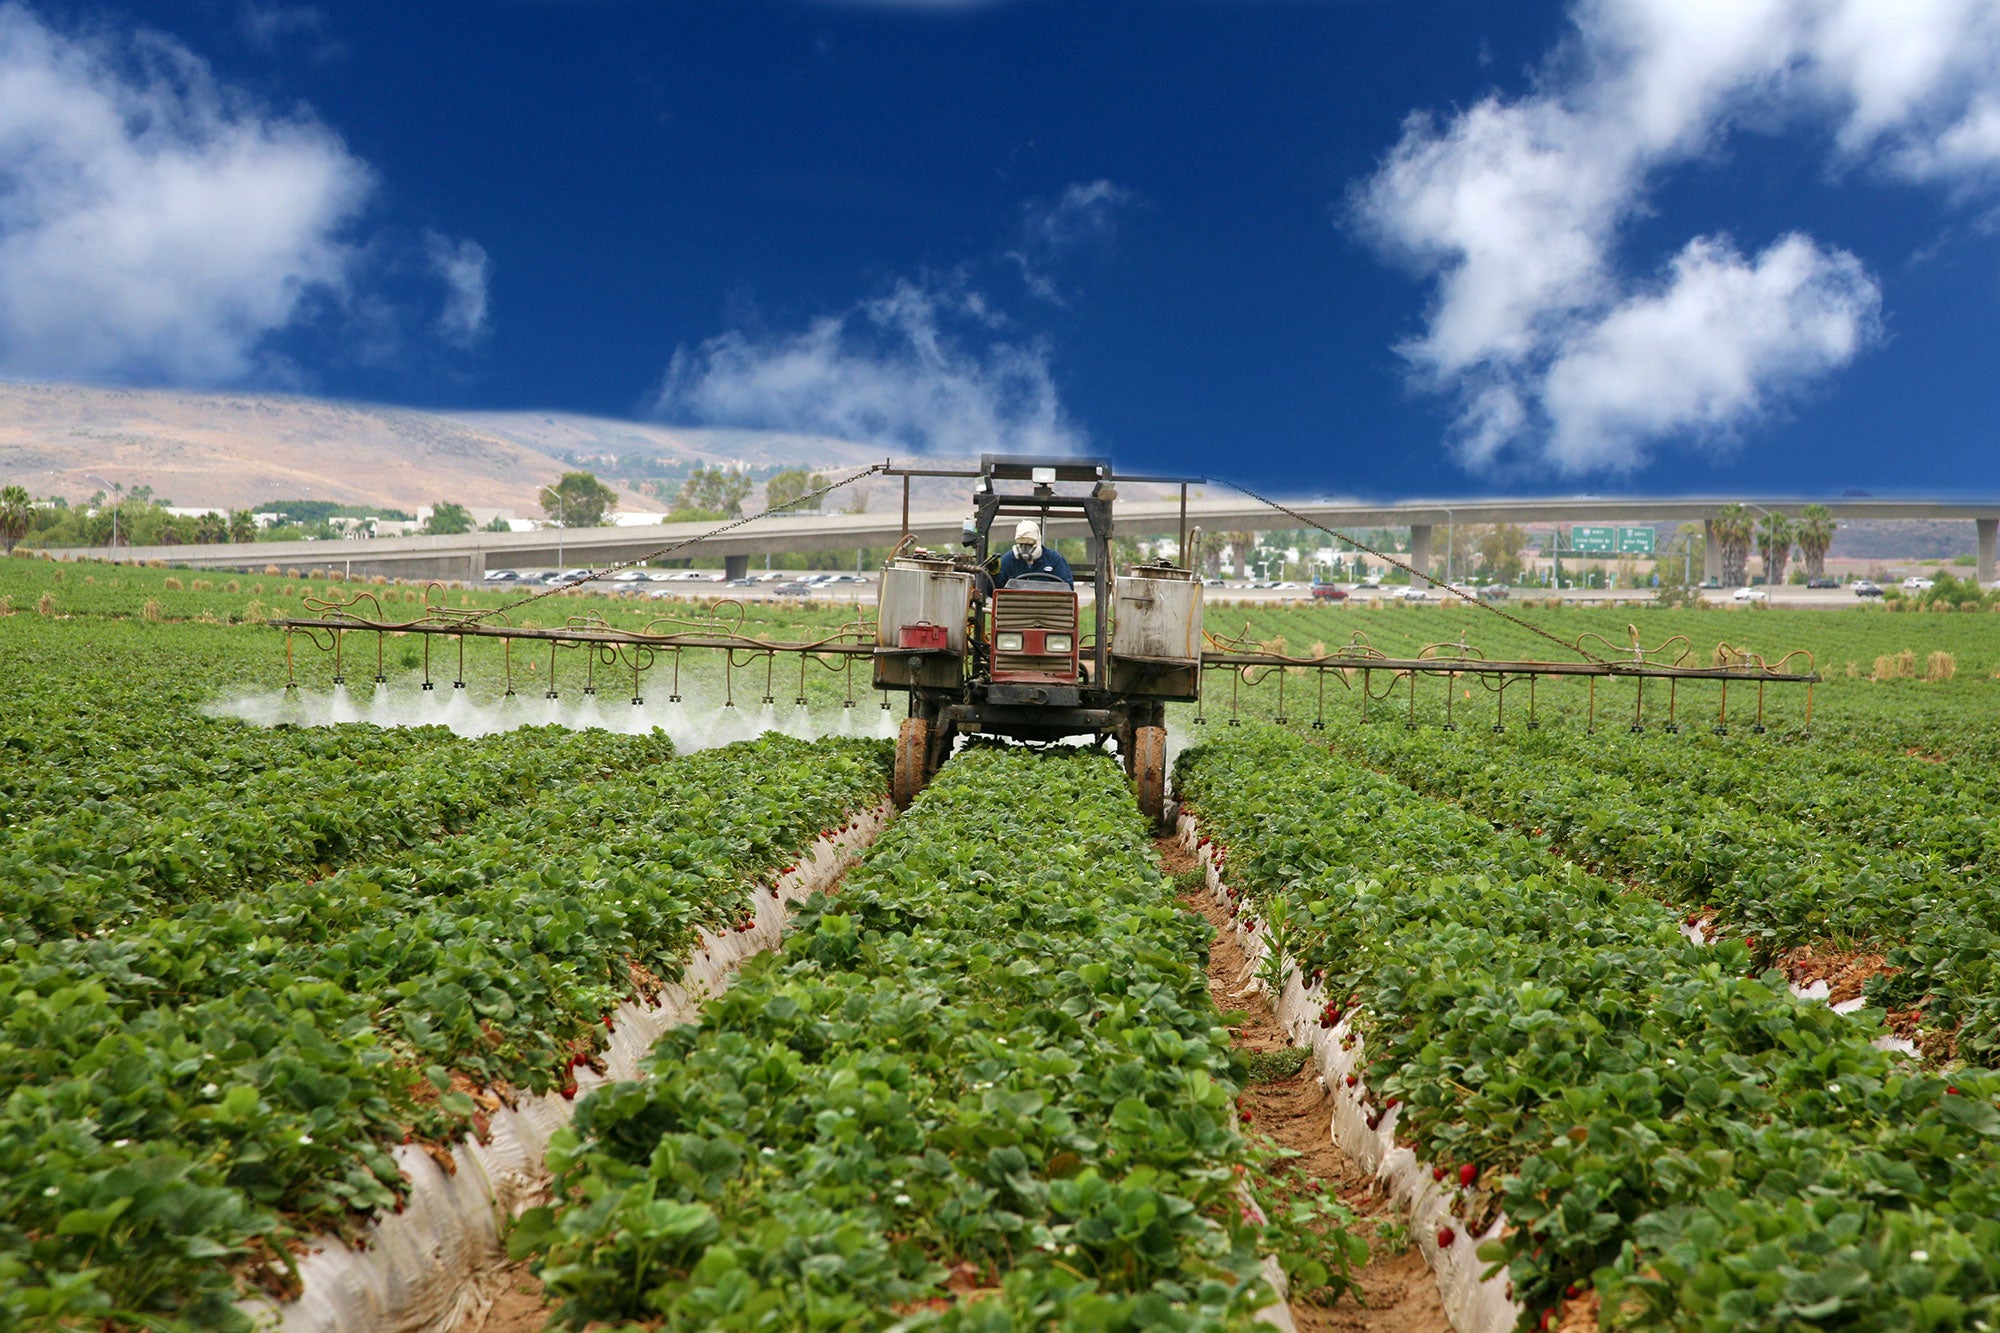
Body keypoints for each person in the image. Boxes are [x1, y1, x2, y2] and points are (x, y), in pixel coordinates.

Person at [995, 519, 1072, 588]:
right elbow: (994, 590)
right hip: (1014, 599)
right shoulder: (1009, 560)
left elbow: (1068, 587)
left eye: (1029, 544)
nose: (1024, 549)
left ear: (1038, 541)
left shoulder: (1054, 559)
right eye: (1021, 544)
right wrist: (994, 574)